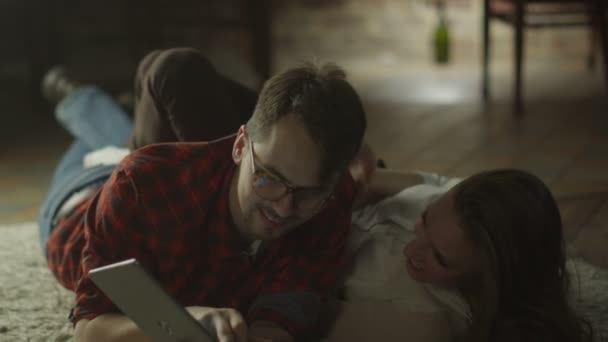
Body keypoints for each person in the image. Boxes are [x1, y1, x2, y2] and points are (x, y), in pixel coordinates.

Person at [38, 48, 378, 342]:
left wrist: (269, 332)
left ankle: (116, 106)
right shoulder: (141, 187)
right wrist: (180, 325)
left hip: (152, 165)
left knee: (121, 137)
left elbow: (286, 306)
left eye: (307, 194)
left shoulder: (332, 199)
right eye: (269, 178)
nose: (284, 207)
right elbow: (88, 331)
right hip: (77, 205)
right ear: (240, 144)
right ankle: (74, 94)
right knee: (107, 147)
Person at [326, 169, 597, 342]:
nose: (412, 249)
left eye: (440, 258)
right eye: (424, 220)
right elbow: (428, 182)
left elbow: (303, 315)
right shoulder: (457, 211)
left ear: (487, 283)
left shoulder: (424, 323)